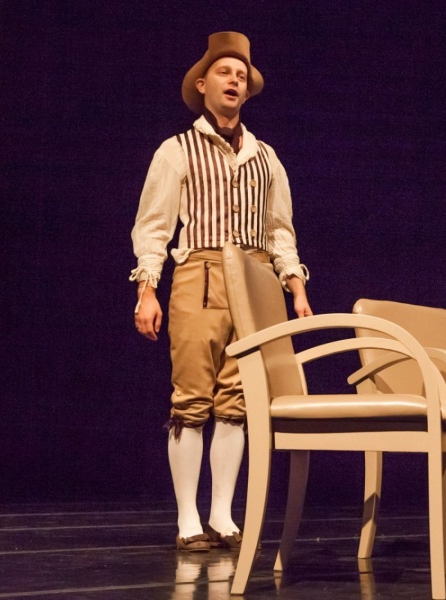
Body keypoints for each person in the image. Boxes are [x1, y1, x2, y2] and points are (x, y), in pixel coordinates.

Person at [130, 32, 312, 552]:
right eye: (224, 72)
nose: (234, 81)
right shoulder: (177, 150)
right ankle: (188, 517)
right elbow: (154, 225)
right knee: (192, 396)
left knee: (238, 400)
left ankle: (222, 514)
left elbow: (280, 229)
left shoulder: (266, 157)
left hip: (256, 280)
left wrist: (295, 287)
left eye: (241, 75)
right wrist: (147, 289)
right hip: (201, 273)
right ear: (202, 84)